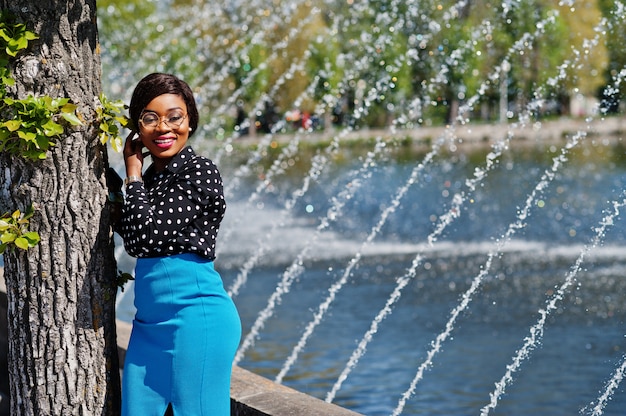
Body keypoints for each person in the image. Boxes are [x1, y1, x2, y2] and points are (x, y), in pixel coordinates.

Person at [117, 73, 241, 416]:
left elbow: (145, 238)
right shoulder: (152, 179)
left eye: (175, 117)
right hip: (148, 327)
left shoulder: (199, 171)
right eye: (150, 118)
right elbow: (133, 237)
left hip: (195, 321)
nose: (163, 127)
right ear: (137, 128)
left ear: (190, 122)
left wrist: (132, 174)